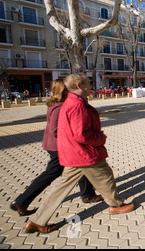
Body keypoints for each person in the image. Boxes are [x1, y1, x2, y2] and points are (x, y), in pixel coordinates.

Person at [24, 74, 134, 233]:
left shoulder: (70, 102)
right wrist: (100, 138)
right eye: (89, 84)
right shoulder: (77, 105)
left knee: (60, 188)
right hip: (84, 153)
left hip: (73, 153)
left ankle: (36, 221)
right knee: (105, 176)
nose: (91, 86)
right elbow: (81, 134)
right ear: (78, 85)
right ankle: (116, 205)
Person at [10, 79, 102, 217]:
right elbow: (54, 129)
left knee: (81, 165)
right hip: (58, 146)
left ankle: (87, 194)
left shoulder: (55, 103)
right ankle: (22, 201)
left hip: (55, 145)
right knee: (52, 172)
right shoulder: (60, 106)